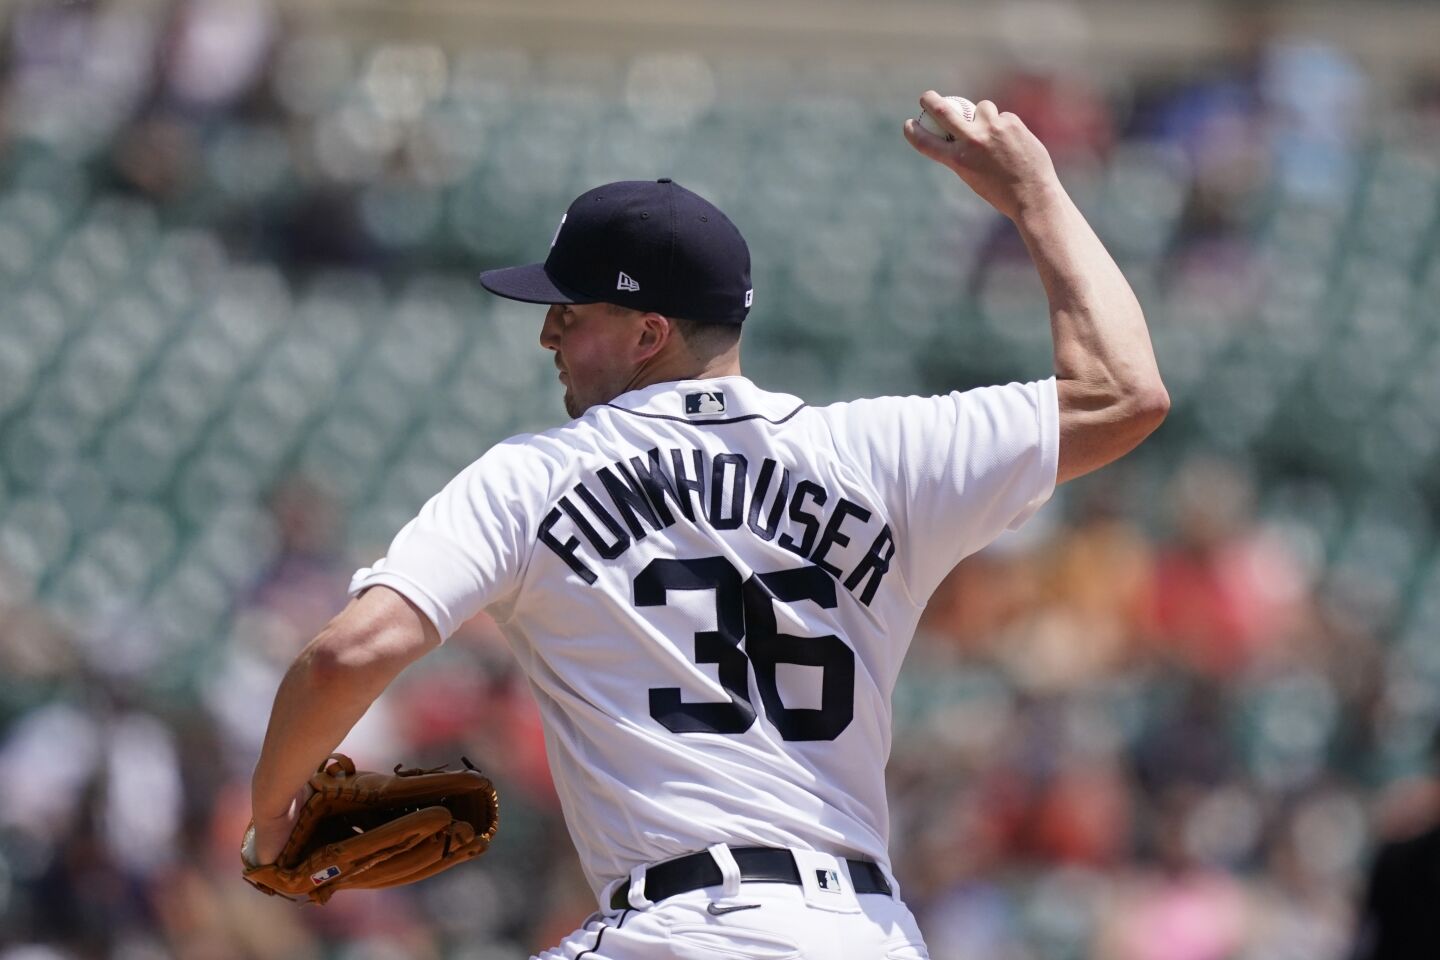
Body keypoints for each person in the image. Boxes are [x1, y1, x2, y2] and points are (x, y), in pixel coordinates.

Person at [248, 91, 1168, 957]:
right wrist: (1036, 195)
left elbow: (347, 652)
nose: (546, 337)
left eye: (567, 313)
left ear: (648, 334)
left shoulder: (537, 474)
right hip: (865, 932)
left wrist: (273, 816)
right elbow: (1122, 394)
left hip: (684, 927)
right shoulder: (880, 452)